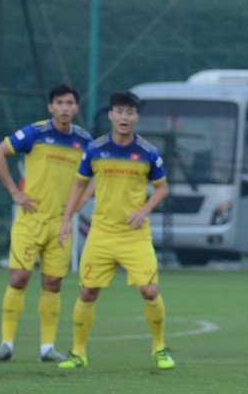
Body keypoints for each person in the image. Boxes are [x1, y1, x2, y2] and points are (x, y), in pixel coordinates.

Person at [56, 91, 174, 370]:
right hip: (101, 234)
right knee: (87, 292)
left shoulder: (147, 152)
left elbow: (162, 189)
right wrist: (65, 221)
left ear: (136, 117)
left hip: (134, 235)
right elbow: (79, 186)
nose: (124, 117)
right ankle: (78, 353)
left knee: (149, 289)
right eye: (119, 111)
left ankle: (159, 348)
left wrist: (144, 210)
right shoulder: (95, 149)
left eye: (130, 112)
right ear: (111, 115)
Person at [0, 84, 93, 363]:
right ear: (50, 107)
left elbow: (97, 174)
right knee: (19, 277)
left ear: (77, 107)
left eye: (70, 103)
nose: (65, 108)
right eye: (59, 103)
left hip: (60, 224)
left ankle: (47, 348)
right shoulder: (35, 133)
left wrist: (79, 205)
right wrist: (15, 192)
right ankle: (6, 344)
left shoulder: (84, 140)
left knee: (53, 282)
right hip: (30, 220)